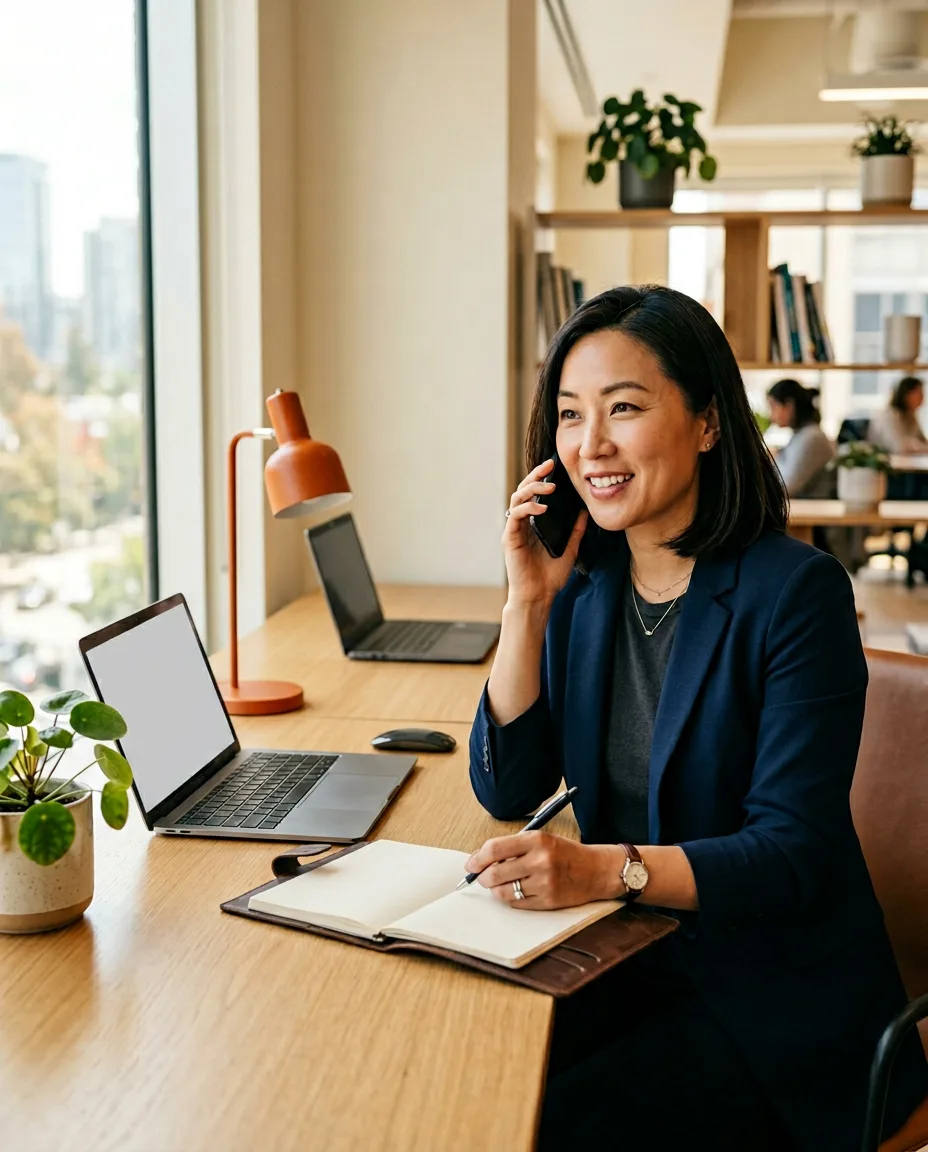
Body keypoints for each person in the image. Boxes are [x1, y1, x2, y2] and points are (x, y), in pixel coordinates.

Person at [466, 286, 927, 1151]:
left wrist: (604, 871)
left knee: (541, 1124)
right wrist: (526, 606)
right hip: (632, 962)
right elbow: (507, 785)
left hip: (776, 1006)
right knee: (464, 1076)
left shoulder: (796, 595)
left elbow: (790, 854)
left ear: (708, 422)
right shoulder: (587, 583)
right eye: (570, 415)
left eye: (624, 409)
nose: (590, 445)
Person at [766, 378, 835, 498]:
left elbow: (786, 487)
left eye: (773, 406)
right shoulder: (803, 435)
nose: (771, 416)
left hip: (813, 511)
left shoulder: (812, 438)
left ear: (789, 405)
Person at [868, 375, 928, 455]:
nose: (923, 398)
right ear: (906, 395)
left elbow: (922, 441)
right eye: (919, 393)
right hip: (886, 463)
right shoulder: (889, 415)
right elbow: (898, 447)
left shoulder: (911, 416)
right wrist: (917, 445)